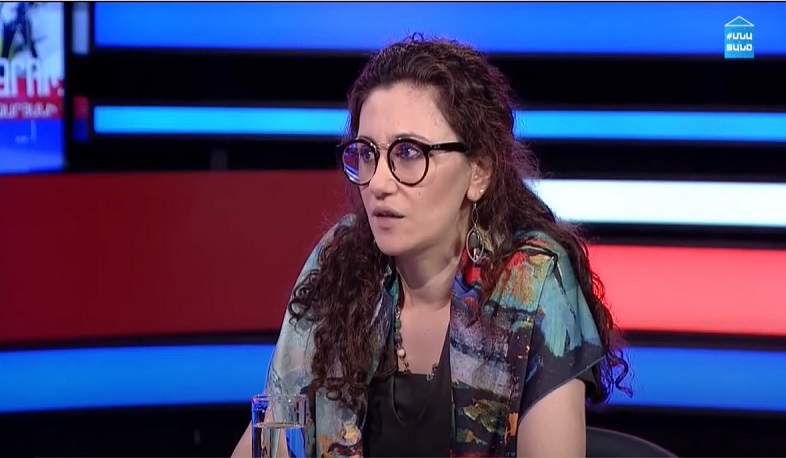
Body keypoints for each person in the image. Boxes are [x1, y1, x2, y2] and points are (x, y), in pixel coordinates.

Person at [233, 35, 630, 458]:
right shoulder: (339, 263)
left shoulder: (533, 284)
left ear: (479, 172)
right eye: (366, 154)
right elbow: (269, 438)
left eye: (408, 152)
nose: (378, 183)